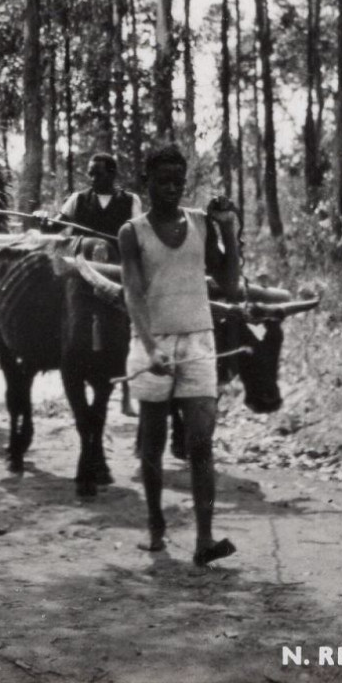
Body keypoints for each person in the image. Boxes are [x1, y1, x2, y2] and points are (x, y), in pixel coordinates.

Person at [118, 143, 243, 567]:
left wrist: (228, 229)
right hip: (153, 344)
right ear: (146, 183)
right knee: (151, 443)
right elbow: (133, 292)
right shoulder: (132, 232)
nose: (171, 189)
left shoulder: (200, 224)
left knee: (201, 442)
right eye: (162, 181)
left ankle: (205, 540)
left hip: (199, 343)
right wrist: (150, 346)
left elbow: (228, 285)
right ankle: (155, 529)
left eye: (177, 181)